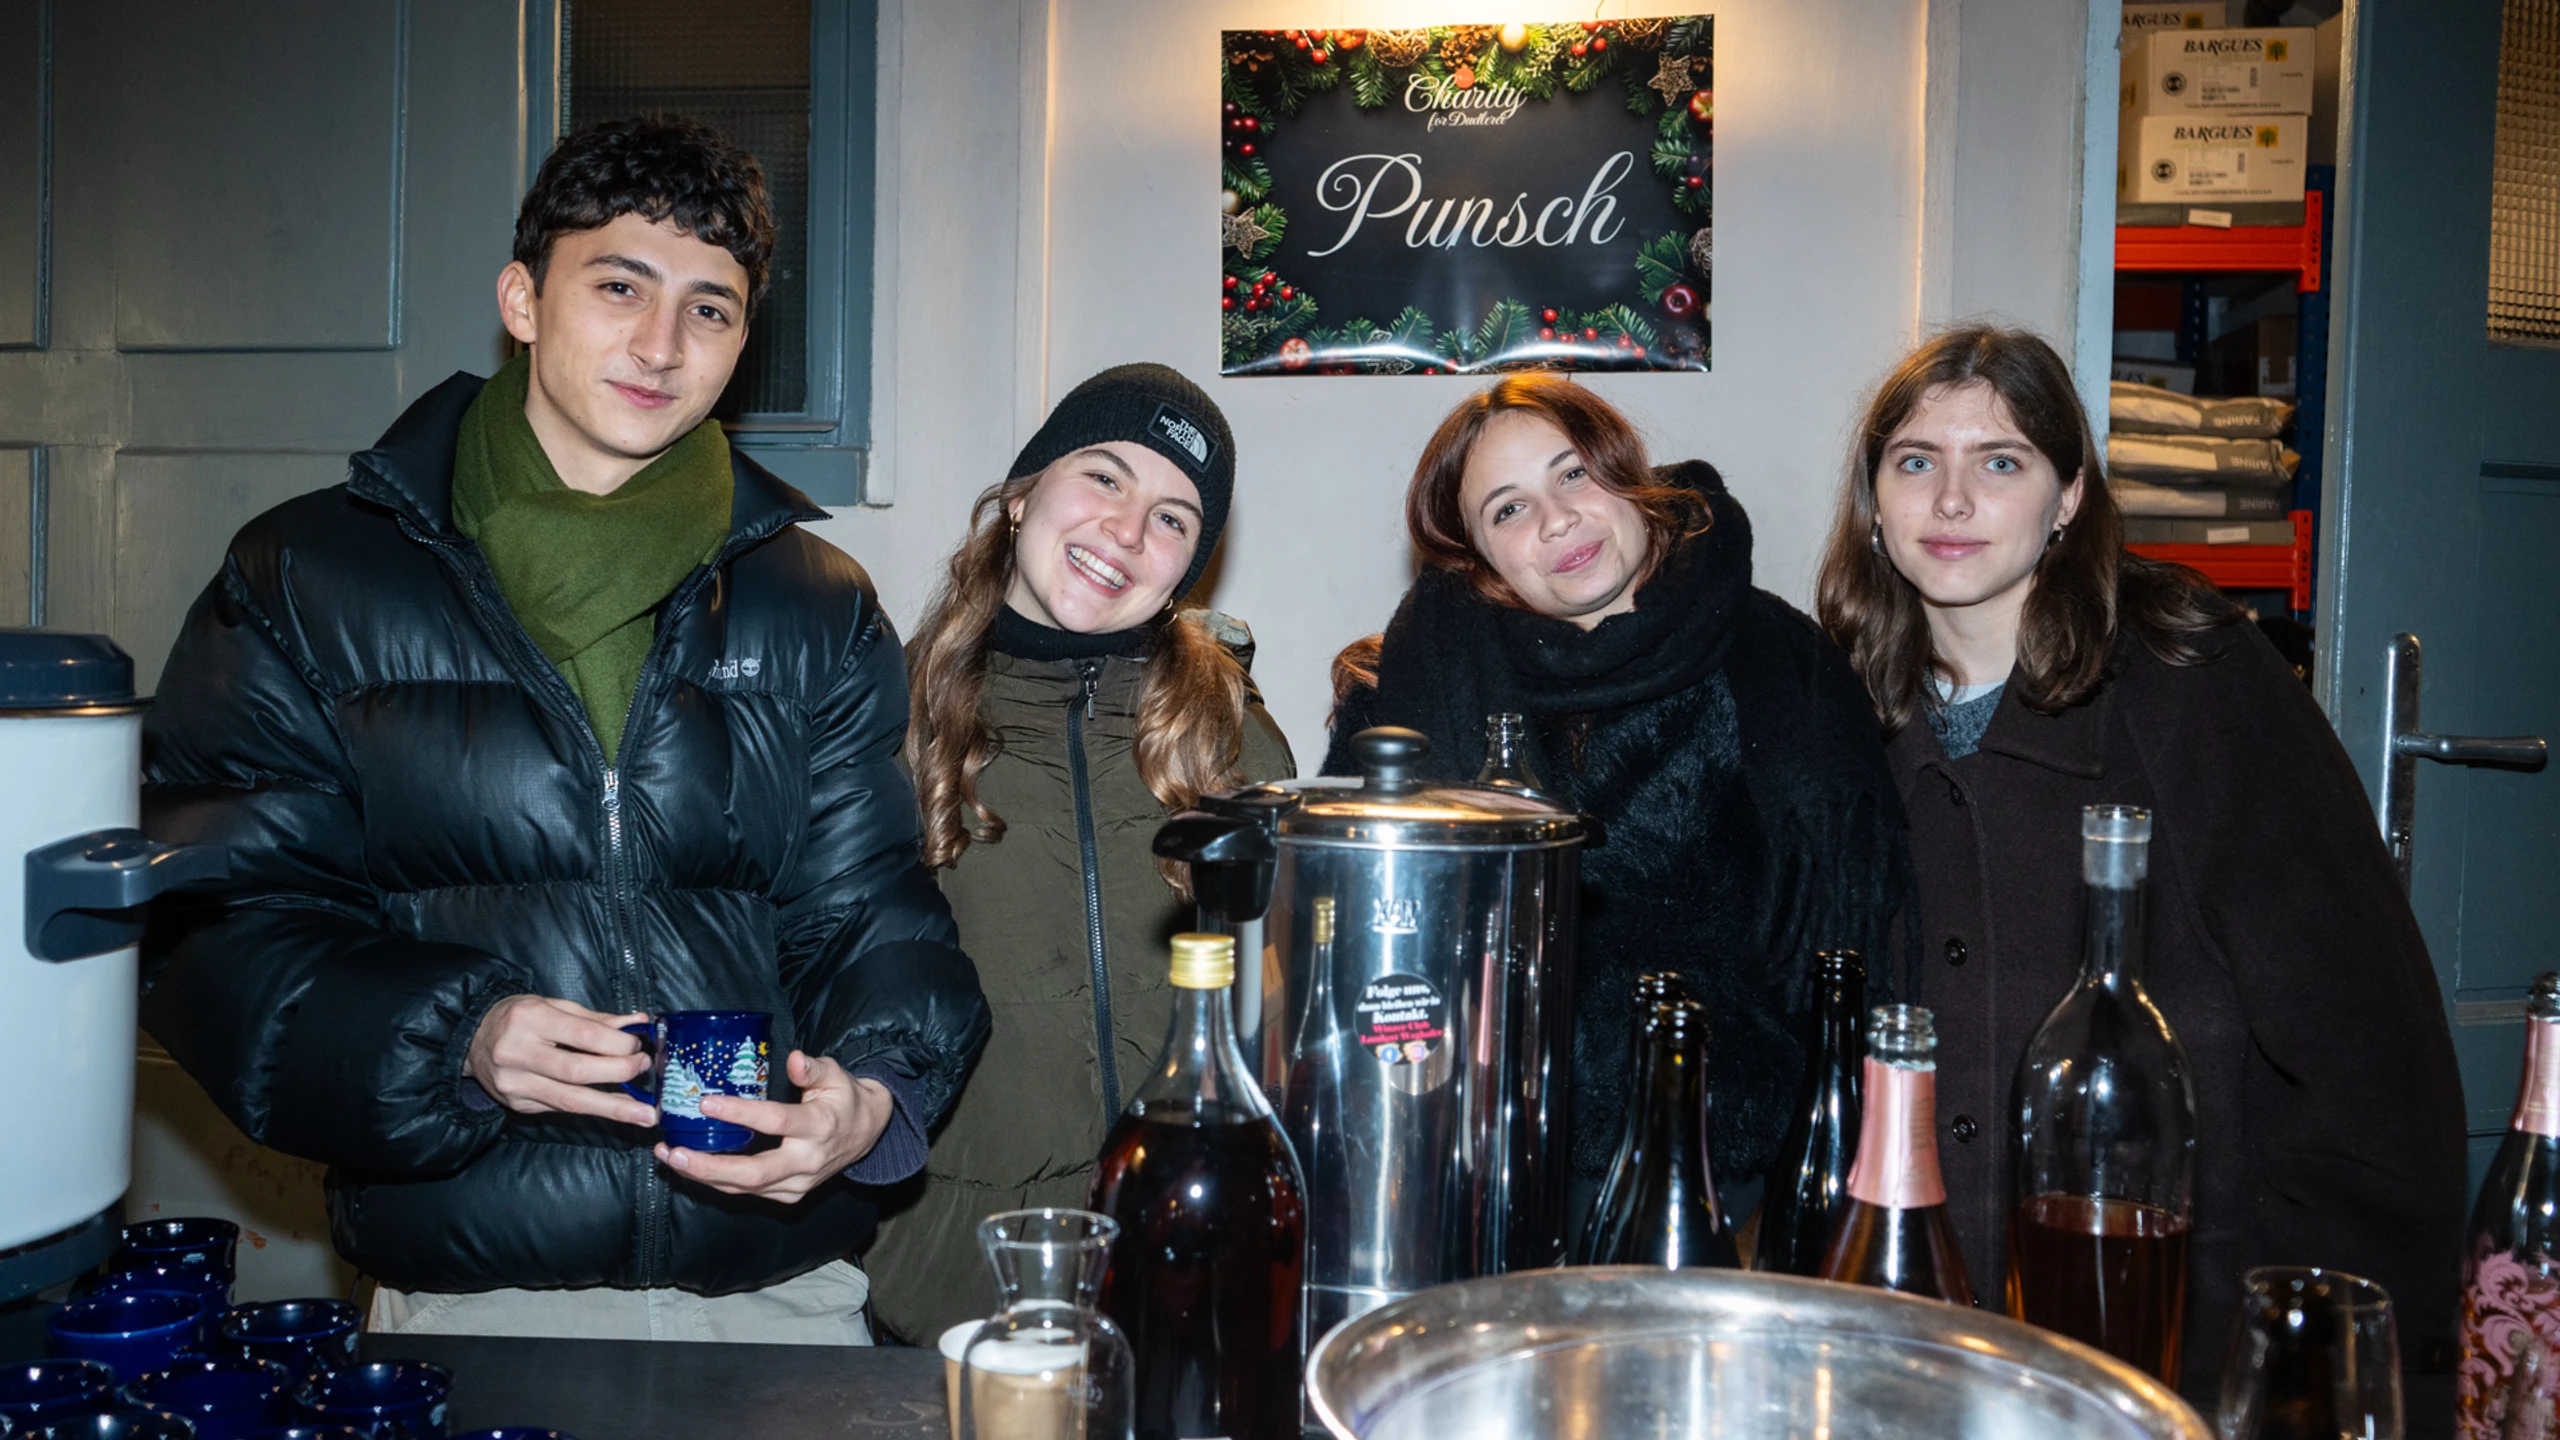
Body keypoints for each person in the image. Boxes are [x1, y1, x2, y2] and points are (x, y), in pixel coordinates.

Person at [139, 115, 989, 1342]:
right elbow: (217, 926)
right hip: (472, 1299)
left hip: (778, 1293)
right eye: (619, 286)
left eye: (709, 309)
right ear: (523, 300)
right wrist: (457, 1036)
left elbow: (869, 911)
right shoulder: (310, 577)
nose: (661, 345)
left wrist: (871, 1092)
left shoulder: (814, 600)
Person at [1813, 325, 2463, 1396]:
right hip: (1926, 1331)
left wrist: (2307, 1348)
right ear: (1874, 502)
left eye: (2001, 461)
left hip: (2181, 1328)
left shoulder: (2193, 685)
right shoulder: (1841, 716)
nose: (1952, 500)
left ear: (2068, 496)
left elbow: (2361, 1044)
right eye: (1916, 461)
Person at [1325, 374, 1914, 1229]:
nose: (1557, 520)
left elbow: (1854, 947)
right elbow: (1356, 968)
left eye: (1573, 474)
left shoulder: (1781, 661)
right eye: (1508, 509)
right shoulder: (1410, 692)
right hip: (1476, 1166)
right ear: (1478, 558)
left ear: (1630, 476)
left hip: (1733, 1178)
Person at [861, 365, 1294, 1345]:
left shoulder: (1237, 743)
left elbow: (1285, 1015)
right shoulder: (891, 724)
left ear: (1187, 567)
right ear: (1022, 494)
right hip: (952, 1291)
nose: (1128, 531)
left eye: (1173, 518)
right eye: (1103, 476)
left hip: (1191, 1282)